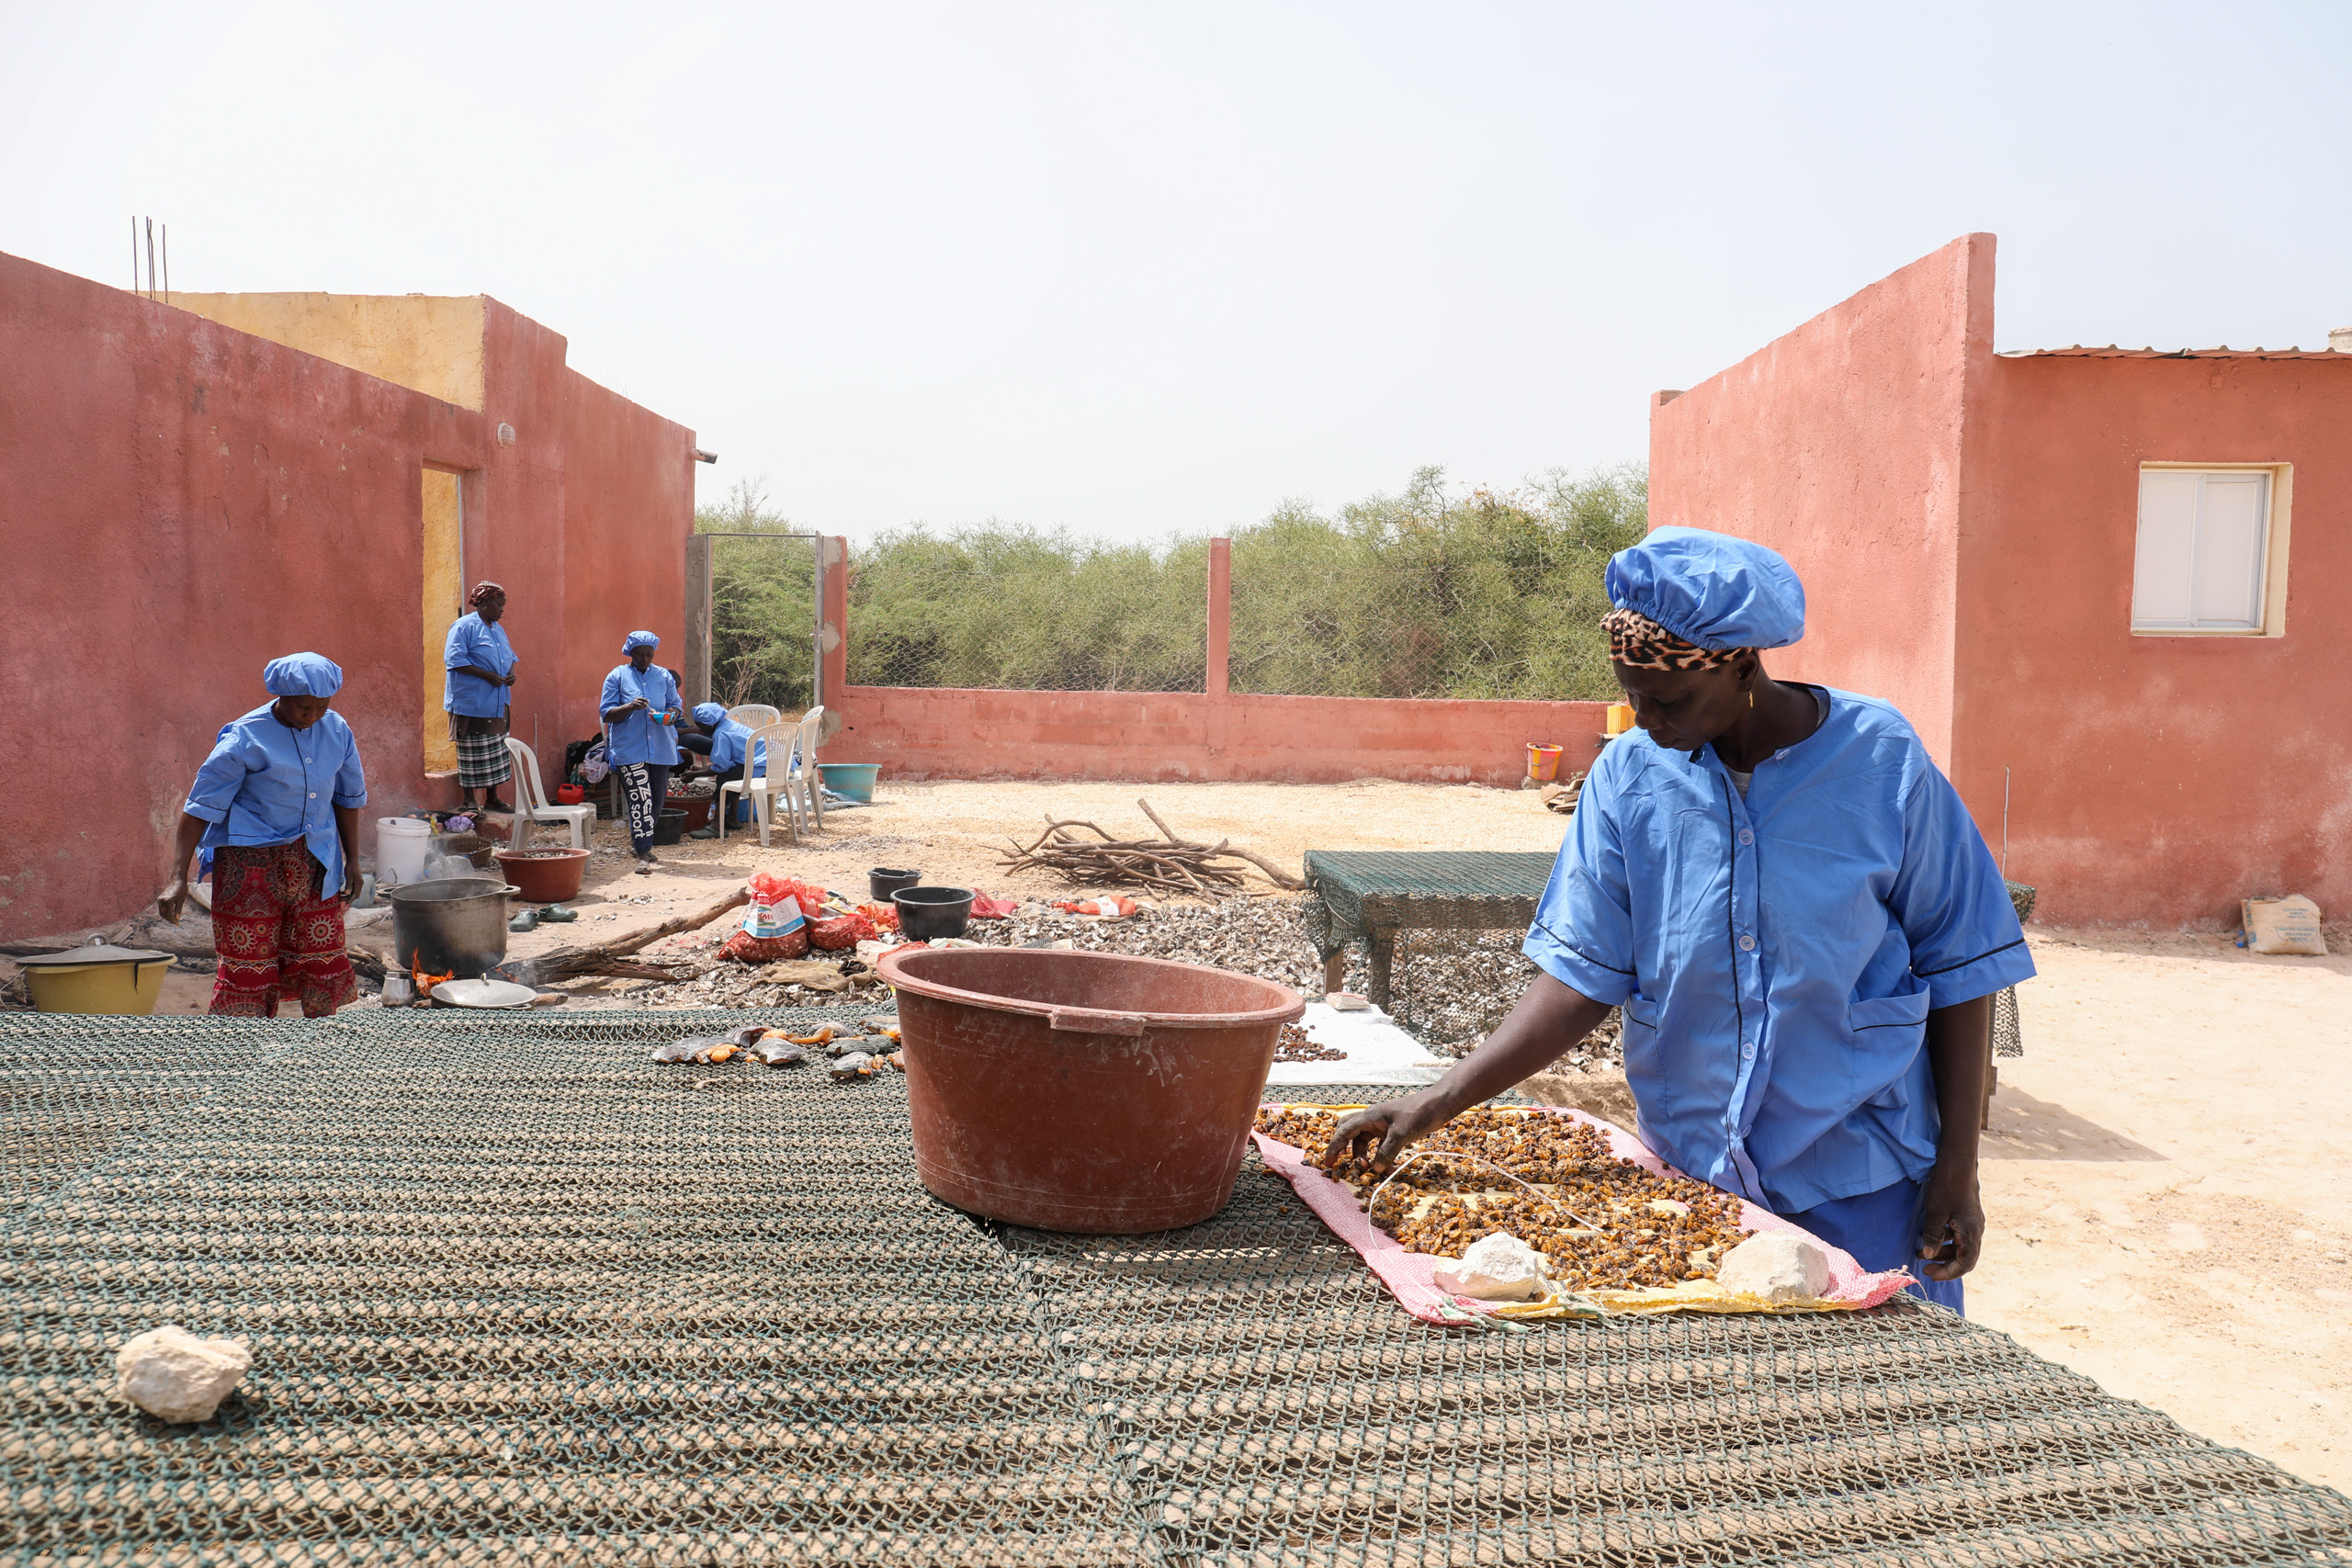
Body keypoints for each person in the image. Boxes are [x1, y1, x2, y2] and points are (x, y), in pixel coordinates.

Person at [1322, 527, 2033, 1313]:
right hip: (1696, 1178)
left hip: (1860, 1175)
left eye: (1668, 699)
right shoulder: (1630, 777)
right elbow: (1582, 976)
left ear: (1740, 663)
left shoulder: (1881, 761)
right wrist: (1438, 1099)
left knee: (1867, 1420)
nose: (1646, 718)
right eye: (1632, 694)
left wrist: (1957, 1171)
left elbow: (1962, 963)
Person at [156, 652, 368, 1018]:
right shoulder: (245, 737)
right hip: (249, 868)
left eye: (322, 707)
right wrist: (177, 879)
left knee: (321, 959)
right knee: (248, 967)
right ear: (281, 696)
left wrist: (353, 861)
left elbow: (347, 799)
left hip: (315, 861)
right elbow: (198, 810)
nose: (313, 716)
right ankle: (242, 1058)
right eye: (304, 708)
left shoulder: (336, 731)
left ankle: (325, 1055)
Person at [599, 630, 684, 873]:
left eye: (649, 654)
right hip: (630, 748)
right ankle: (643, 853)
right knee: (640, 798)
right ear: (631, 653)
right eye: (640, 654)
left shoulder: (664, 676)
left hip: (661, 746)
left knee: (657, 799)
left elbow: (676, 706)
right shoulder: (617, 676)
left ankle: (640, 842)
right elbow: (607, 713)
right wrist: (629, 706)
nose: (645, 659)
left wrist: (670, 716)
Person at [445, 581, 518, 815]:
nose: (502, 610)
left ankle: (492, 799)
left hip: (496, 702)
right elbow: (454, 660)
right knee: (471, 751)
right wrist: (487, 676)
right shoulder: (464, 626)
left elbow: (510, 657)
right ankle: (469, 800)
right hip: (472, 703)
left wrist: (510, 674)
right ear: (486, 603)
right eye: (499, 605)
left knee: (496, 750)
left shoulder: (497, 629)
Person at [680, 702, 767, 838]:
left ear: (711, 724)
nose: (701, 731)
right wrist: (700, 769)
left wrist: (695, 775)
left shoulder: (721, 734)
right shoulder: (729, 724)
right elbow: (731, 762)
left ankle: (716, 827)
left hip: (762, 765)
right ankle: (732, 818)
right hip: (771, 761)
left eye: (702, 727)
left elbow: (721, 767)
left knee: (725, 778)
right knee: (734, 771)